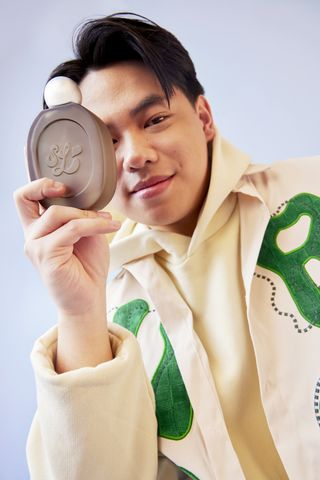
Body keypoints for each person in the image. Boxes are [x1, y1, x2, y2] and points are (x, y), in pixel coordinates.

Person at [14, 12, 320, 480]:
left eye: (154, 119)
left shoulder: (311, 191)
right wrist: (79, 313)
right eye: (108, 140)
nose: (134, 154)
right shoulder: (104, 316)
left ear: (204, 118)